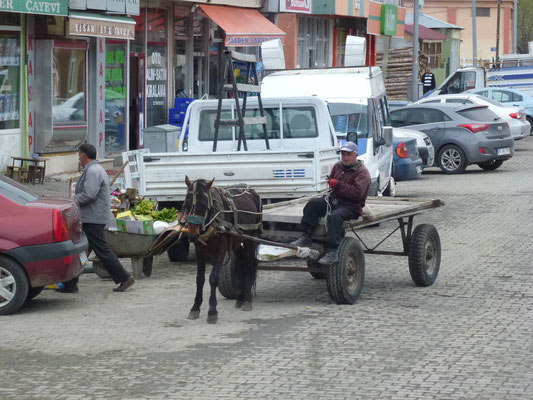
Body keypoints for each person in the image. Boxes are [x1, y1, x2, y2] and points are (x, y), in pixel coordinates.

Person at [56, 143, 135, 293]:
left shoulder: (92, 171)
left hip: (92, 218)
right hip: (91, 217)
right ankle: (71, 283)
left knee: (101, 251)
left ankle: (125, 278)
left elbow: (89, 194)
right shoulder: (95, 169)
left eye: (79, 155)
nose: (78, 158)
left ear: (84, 156)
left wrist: (72, 200)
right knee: (82, 251)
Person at [291, 141, 371, 265]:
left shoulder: (362, 172)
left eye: (348, 154)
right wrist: (332, 186)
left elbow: (357, 194)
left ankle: (332, 250)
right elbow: (332, 185)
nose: (345, 157)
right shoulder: (337, 166)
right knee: (312, 204)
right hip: (333, 201)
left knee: (334, 217)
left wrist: (337, 185)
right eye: (343, 154)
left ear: (355, 155)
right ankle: (306, 236)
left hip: (351, 206)